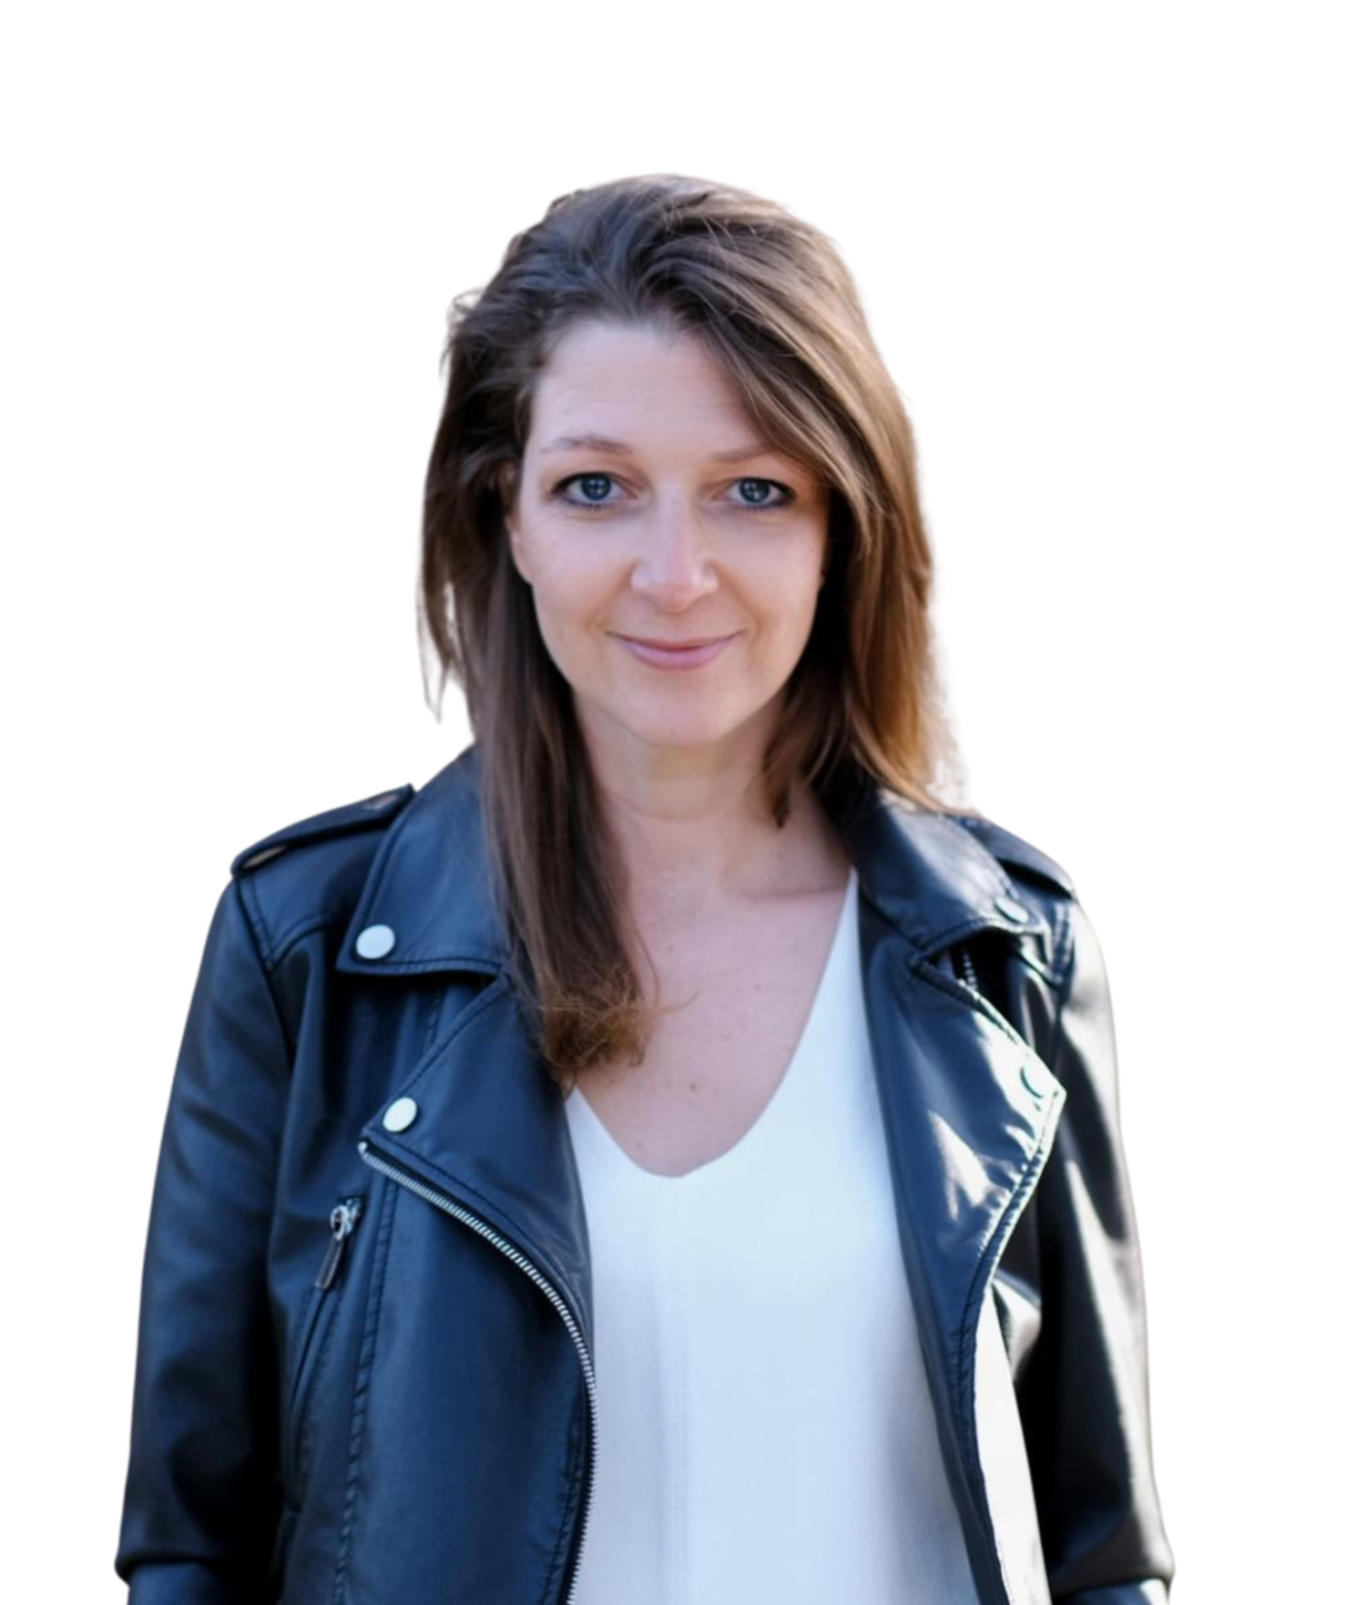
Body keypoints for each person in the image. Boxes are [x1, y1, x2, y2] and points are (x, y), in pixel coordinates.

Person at [114, 174, 1176, 1604]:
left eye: (754, 490)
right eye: (597, 488)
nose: (675, 575)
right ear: (506, 513)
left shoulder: (1006, 953)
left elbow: (1102, 1556)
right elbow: (190, 1547)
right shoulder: (306, 948)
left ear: (841, 528)